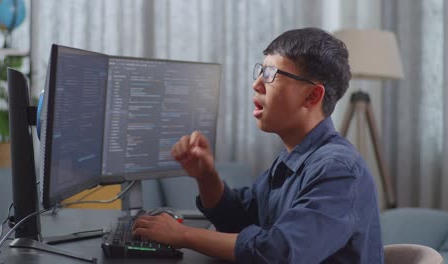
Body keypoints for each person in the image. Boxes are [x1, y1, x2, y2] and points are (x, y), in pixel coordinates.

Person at [132, 27, 383, 263]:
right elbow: (240, 219)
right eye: (260, 71)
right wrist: (206, 175)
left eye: (271, 75)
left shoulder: (338, 170)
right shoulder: (292, 157)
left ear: (312, 96)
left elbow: (278, 252)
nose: (257, 84)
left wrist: (182, 235)